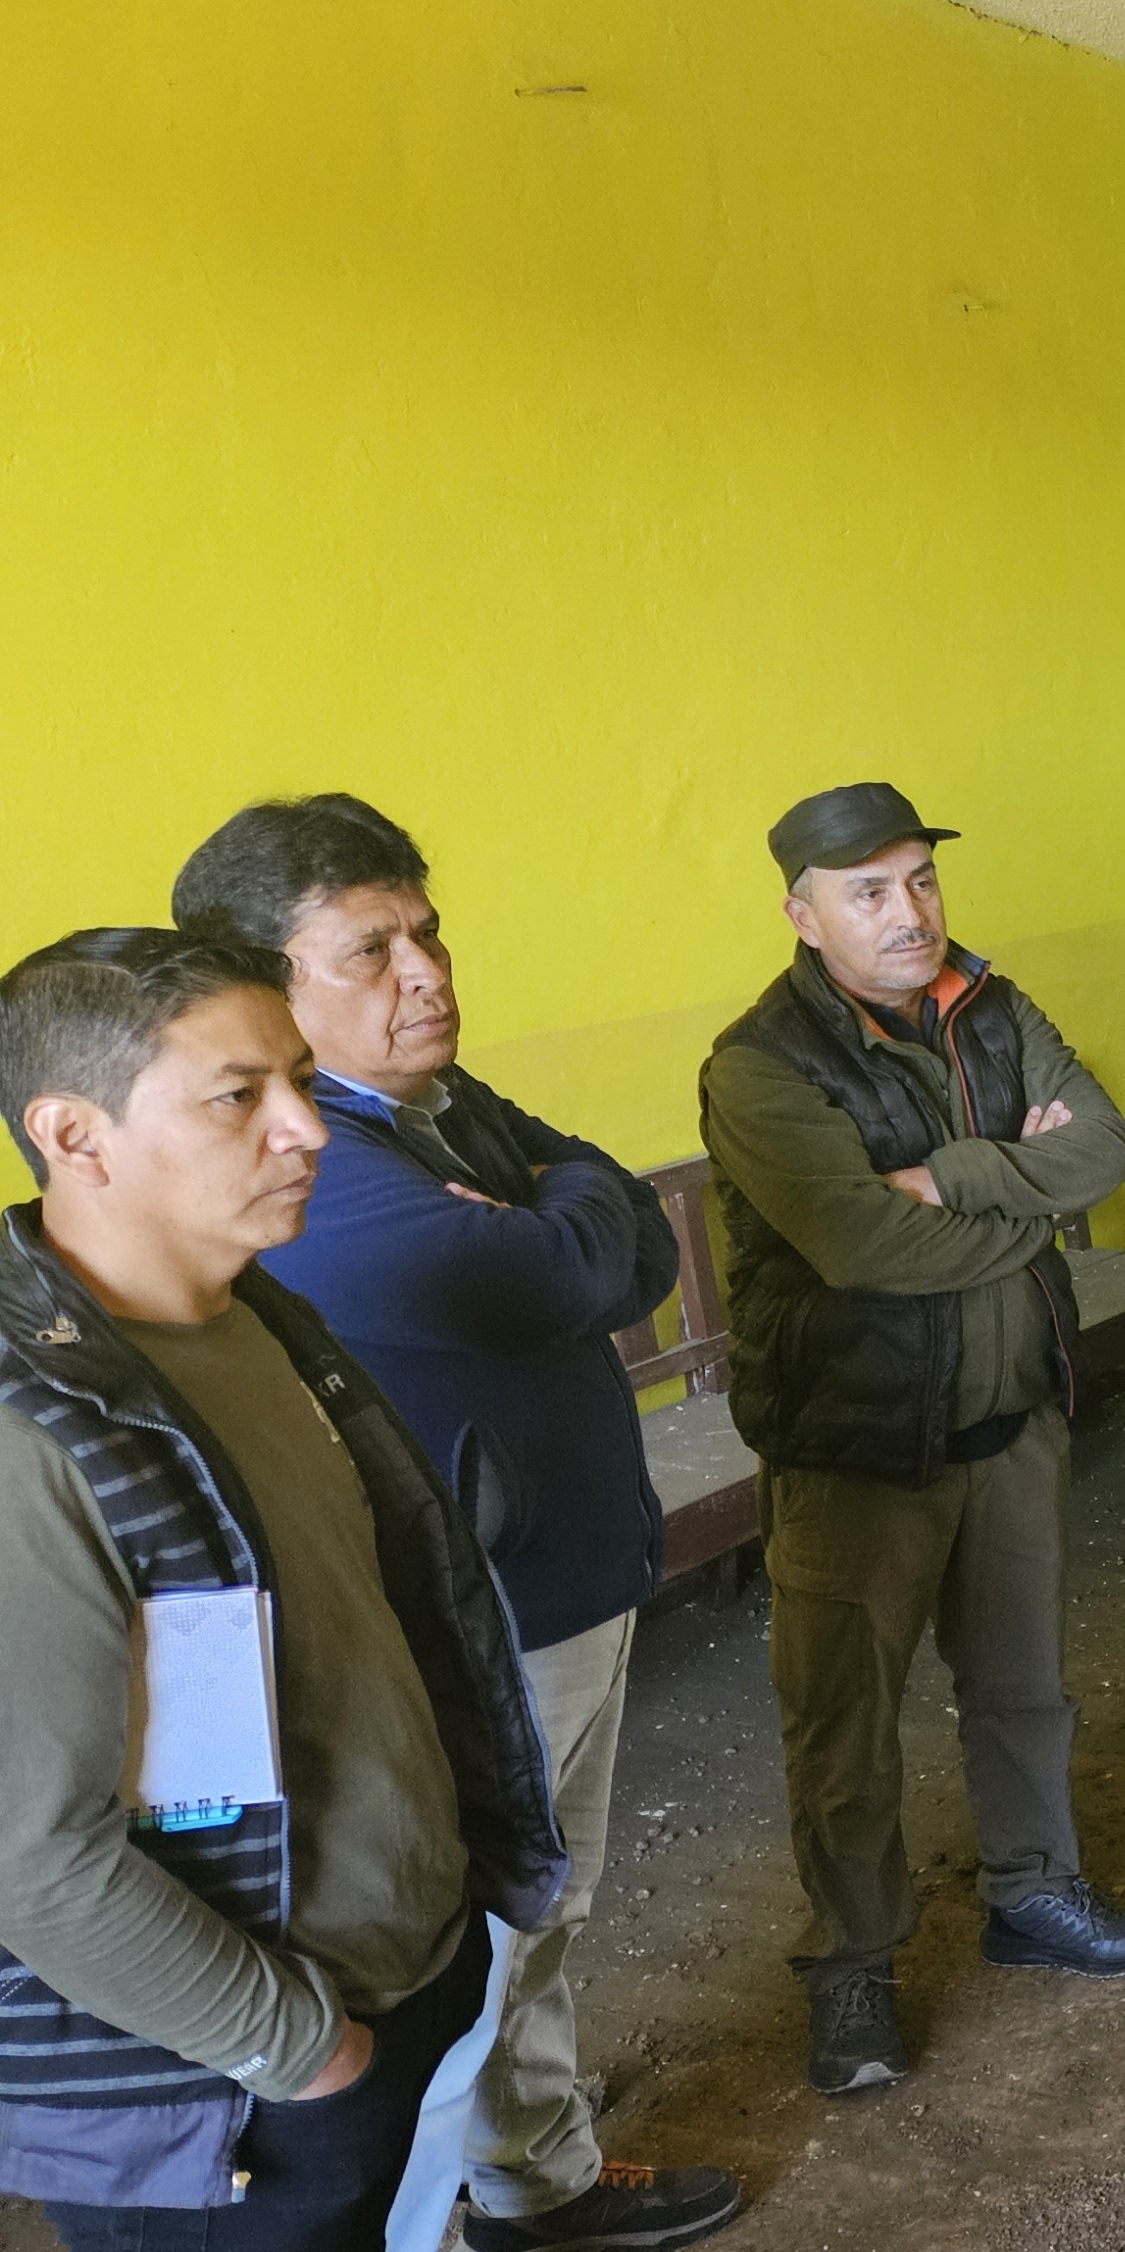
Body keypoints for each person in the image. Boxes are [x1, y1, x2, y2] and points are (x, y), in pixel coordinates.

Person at [167, 796, 744, 2252]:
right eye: (370, 950)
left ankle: (534, 2182)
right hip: (477, 1625)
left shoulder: (442, 1101)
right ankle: (442, 2214)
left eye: (425, 932)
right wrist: (553, 1217)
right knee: (468, 1960)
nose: (424, 971)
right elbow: (549, 1279)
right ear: (266, 989)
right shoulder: (322, 1167)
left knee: (535, 1925)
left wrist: (555, 1204)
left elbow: (622, 1229)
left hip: (569, 1578)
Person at [0, 929, 566, 2248]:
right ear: (75, 1137)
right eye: (237, 1094)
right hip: (230, 2091)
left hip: (399, 1973)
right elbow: (36, 1861)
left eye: (301, 1080)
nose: (306, 1128)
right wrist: (306, 2052)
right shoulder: (32, 1428)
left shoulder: (256, 1313)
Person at [700, 784, 1125, 2101]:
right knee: (844, 1724)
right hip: (855, 1446)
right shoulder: (761, 1064)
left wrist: (952, 1177)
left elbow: (1108, 1149)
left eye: (919, 879)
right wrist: (1026, 1197)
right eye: (868, 891)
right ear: (803, 914)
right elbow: (859, 1244)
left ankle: (1036, 1895)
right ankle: (852, 1970)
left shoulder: (994, 1008)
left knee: (1024, 1688)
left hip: (1012, 1418)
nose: (908, 911)